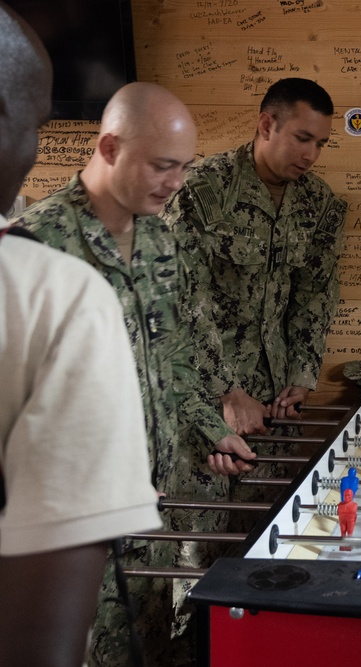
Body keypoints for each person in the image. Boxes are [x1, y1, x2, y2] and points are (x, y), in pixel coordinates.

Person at [12, 81, 253, 666]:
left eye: (184, 168)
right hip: (71, 521)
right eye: (162, 166)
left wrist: (207, 427)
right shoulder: (35, 246)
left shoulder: (160, 240)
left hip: (157, 502)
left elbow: (171, 356)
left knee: (151, 641)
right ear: (111, 146)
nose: (174, 183)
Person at [0, 4, 160, 665]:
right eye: (34, 124)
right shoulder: (47, 290)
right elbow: (43, 646)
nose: (172, 183)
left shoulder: (158, 236)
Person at [164, 77, 347, 438]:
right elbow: (183, 299)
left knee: (275, 495)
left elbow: (316, 294)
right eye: (302, 138)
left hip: (275, 398)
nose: (311, 155)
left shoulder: (318, 203)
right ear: (266, 125)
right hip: (201, 399)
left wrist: (301, 376)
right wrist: (229, 394)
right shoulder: (202, 191)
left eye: (321, 144)